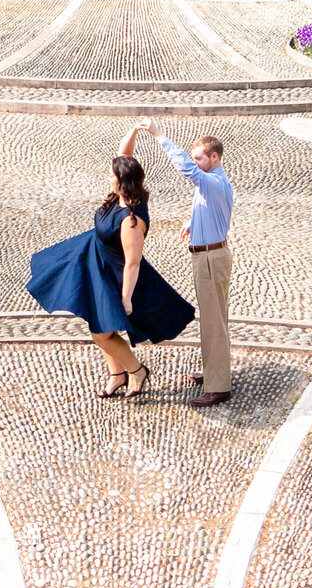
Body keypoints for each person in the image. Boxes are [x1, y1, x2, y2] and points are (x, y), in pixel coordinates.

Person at [26, 149, 196, 399]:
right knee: (97, 323)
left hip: (117, 279)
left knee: (101, 333)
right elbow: (123, 154)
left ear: (123, 180)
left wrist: (126, 298)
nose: (108, 179)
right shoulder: (120, 196)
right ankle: (116, 374)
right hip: (95, 267)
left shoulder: (131, 219)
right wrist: (135, 130)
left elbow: (133, 262)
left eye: (111, 176)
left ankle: (136, 371)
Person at [122, 120, 233, 406]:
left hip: (210, 257)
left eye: (199, 158)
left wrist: (159, 135)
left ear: (214, 157)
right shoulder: (212, 185)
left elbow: (187, 170)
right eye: (195, 158)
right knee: (211, 320)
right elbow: (209, 209)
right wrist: (191, 222)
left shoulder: (213, 181)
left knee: (213, 322)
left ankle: (219, 387)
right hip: (208, 254)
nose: (195, 163)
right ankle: (213, 374)